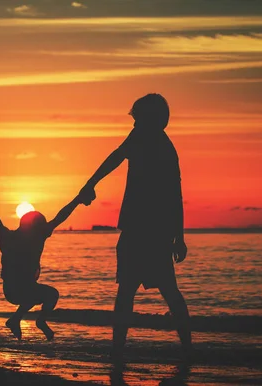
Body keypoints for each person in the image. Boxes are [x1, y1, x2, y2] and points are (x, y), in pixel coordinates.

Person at [79, 93, 192, 364]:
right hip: (141, 230)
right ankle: (120, 350)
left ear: (151, 120)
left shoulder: (159, 146)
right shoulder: (143, 138)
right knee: (135, 290)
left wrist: (179, 237)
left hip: (150, 233)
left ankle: (184, 348)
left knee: (162, 290)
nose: (133, 125)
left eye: (137, 119)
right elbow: (116, 157)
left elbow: (174, 195)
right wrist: (90, 183)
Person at [0, 192, 83, 341]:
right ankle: (40, 321)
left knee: (33, 294)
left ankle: (15, 319)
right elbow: (60, 217)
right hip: (22, 289)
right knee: (51, 294)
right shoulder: (37, 237)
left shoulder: (7, 236)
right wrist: (77, 200)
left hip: (10, 290)